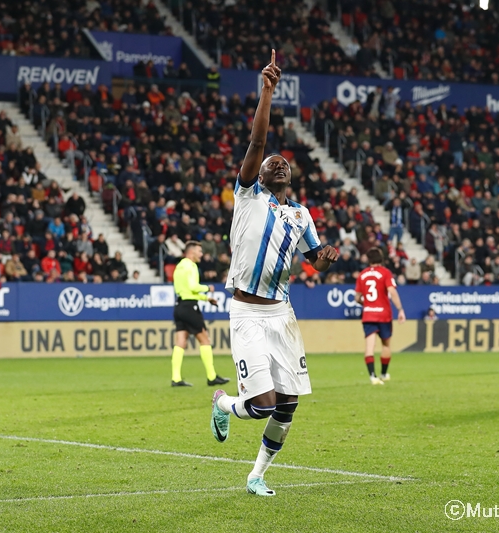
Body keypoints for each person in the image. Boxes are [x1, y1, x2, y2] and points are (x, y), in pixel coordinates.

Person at [209, 51, 340, 497]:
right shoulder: (248, 196)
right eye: (271, 162)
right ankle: (224, 402)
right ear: (262, 174)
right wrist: (266, 92)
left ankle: (256, 474)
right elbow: (257, 143)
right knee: (262, 404)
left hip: (281, 316)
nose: (276, 161)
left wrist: (326, 257)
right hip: (247, 312)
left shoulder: (302, 215)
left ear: (292, 175)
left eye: (284, 162)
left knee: (288, 405)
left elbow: (314, 262)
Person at [170, 241, 229, 387]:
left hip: (179, 306)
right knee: (205, 340)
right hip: (190, 308)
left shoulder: (179, 266)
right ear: (191, 253)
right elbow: (192, 287)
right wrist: (207, 288)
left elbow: (186, 291)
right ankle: (211, 376)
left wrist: (205, 298)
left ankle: (176, 378)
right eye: (199, 251)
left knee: (180, 342)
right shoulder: (191, 266)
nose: (201, 254)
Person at [354, 248, 406, 385]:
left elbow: (357, 297)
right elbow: (392, 292)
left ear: (368, 260)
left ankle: (372, 377)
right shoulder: (385, 273)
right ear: (381, 259)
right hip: (384, 314)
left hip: (369, 314)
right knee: (386, 345)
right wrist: (400, 309)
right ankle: (383, 373)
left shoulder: (362, 274)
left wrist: (366, 303)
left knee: (370, 346)